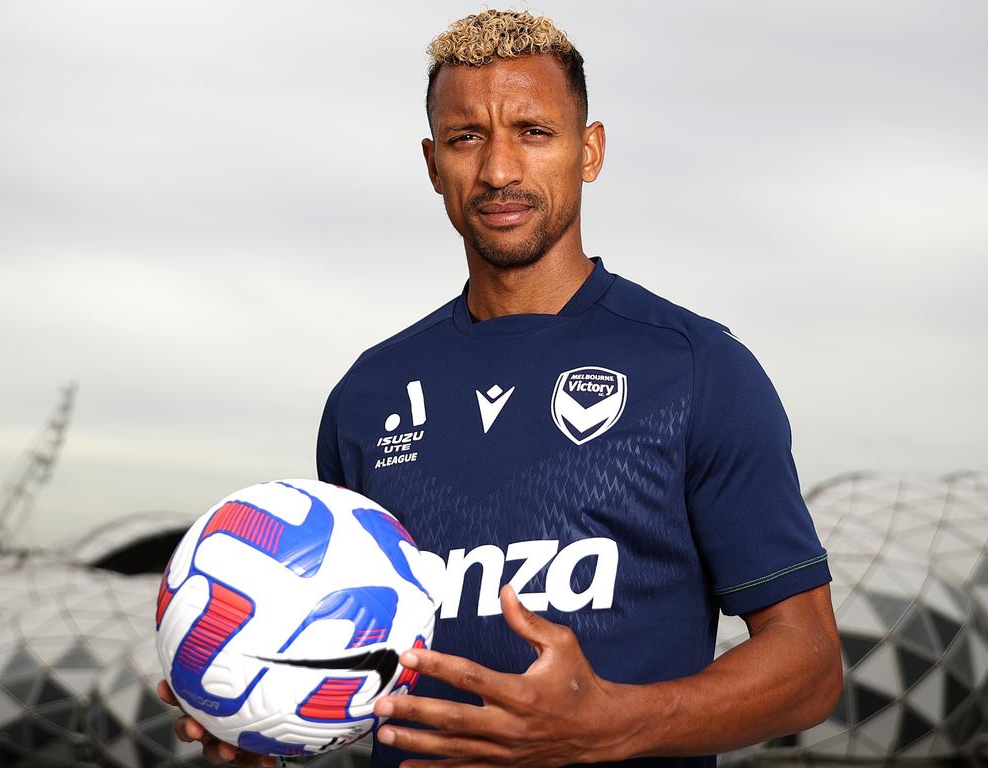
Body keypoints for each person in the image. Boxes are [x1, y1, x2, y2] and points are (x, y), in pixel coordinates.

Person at [159, 9, 842, 768]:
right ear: (431, 163)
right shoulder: (367, 394)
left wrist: (615, 723)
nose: (499, 171)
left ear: (590, 151)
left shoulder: (697, 368)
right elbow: (368, 655)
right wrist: (272, 719)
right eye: (466, 138)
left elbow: (809, 664)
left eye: (534, 132)